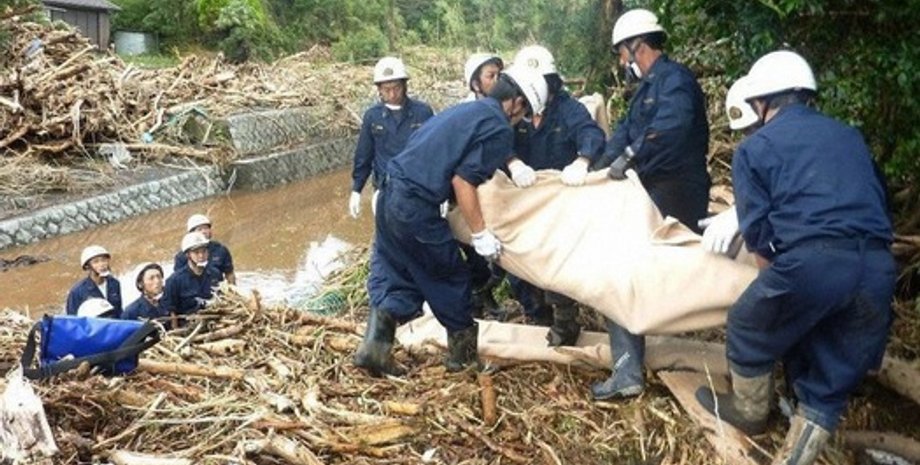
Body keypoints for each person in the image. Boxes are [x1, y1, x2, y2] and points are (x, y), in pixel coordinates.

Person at [695, 50, 894, 465]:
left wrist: (774, 292)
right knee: (829, 378)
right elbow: (878, 200)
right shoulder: (850, 136)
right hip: (878, 265)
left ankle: (750, 413)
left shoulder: (755, 148)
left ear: (760, 101)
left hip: (816, 262)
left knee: (749, 321)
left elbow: (760, 238)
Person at [353, 65, 549, 377]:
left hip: (389, 194)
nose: (519, 119)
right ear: (517, 102)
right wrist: (480, 233)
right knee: (449, 276)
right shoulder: (499, 127)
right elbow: (463, 181)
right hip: (415, 205)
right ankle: (464, 360)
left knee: (396, 270)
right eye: (523, 113)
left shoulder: (466, 110)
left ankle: (374, 348)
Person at [592, 8, 711, 401]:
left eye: (622, 54)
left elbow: (670, 131)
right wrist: (593, 170)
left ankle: (627, 370)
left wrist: (631, 157)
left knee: (620, 269)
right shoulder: (646, 90)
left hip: (676, 189)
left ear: (636, 46)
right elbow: (624, 133)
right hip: (653, 187)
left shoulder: (675, 80)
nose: (621, 63)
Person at [504, 44, 606, 345]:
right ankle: (536, 313)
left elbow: (591, 134)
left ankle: (564, 321)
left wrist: (582, 160)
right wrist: (513, 162)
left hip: (560, 202)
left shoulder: (567, 109)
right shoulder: (516, 110)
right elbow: (497, 139)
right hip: (524, 199)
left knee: (557, 262)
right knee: (517, 262)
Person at [348, 56, 435, 219]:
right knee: (388, 232)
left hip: (419, 190)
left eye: (396, 88)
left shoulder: (422, 113)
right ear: (379, 89)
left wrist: (442, 191)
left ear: (404, 85)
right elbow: (364, 156)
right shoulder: (373, 117)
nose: (392, 94)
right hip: (385, 190)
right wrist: (356, 190)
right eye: (386, 89)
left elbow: (435, 154)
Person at [460, 52, 507, 320]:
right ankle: (475, 300)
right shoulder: (464, 113)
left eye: (499, 75)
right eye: (491, 76)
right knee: (474, 252)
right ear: (476, 84)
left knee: (501, 250)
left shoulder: (506, 107)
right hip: (469, 192)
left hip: (496, 188)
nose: (497, 80)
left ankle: (488, 291)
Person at [164, 232, 224, 325]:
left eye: (204, 251)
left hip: (213, 323)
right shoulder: (174, 281)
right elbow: (172, 313)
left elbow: (222, 299)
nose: (201, 256)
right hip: (187, 326)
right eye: (196, 252)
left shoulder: (215, 274)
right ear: (188, 255)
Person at [173, 214, 235, 284]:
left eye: (206, 228)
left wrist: (232, 288)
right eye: (199, 229)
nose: (204, 231)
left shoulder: (220, 249)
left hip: (216, 287)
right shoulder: (182, 256)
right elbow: (178, 279)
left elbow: (229, 273)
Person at [66, 245, 123, 318]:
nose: (102, 264)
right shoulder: (77, 291)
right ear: (87, 266)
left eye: (104, 260)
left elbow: (119, 311)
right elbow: (72, 319)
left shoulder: (114, 283)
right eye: (96, 262)